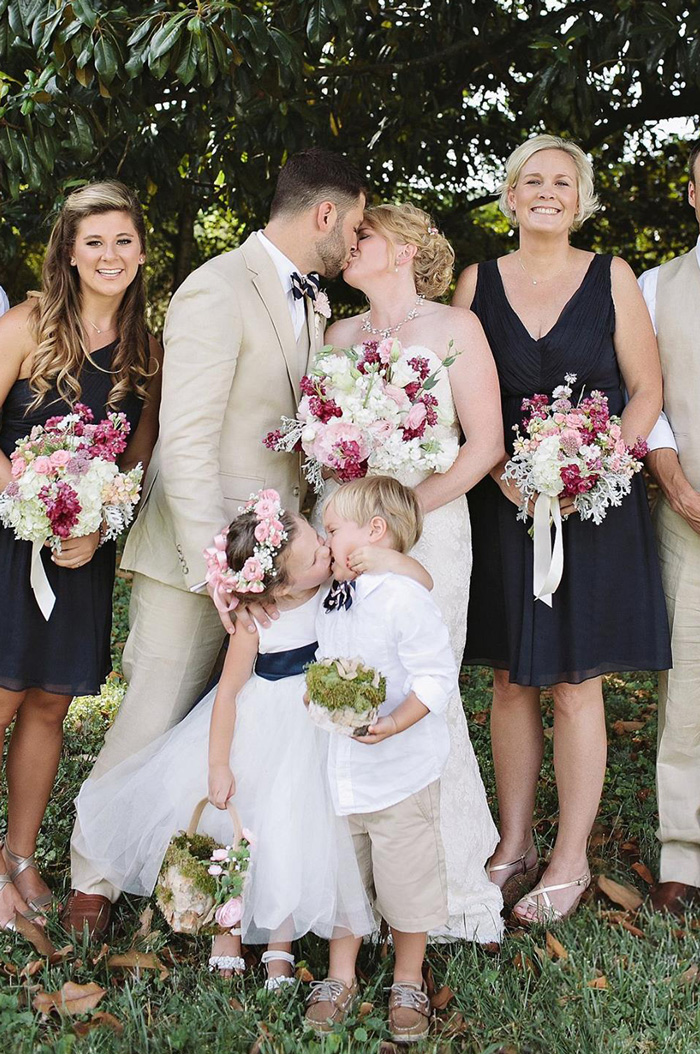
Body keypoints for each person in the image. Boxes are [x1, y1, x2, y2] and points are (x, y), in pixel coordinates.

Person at [65, 150, 367, 937]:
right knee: (153, 713)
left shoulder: (311, 305)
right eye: (356, 224)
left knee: (232, 726)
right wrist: (224, 570)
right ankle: (91, 881)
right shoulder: (216, 287)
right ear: (325, 215)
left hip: (282, 565)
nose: (355, 243)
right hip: (197, 555)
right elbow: (186, 443)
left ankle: (202, 883)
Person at [73, 489, 431, 986]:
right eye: (313, 555)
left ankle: (279, 945)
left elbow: (421, 581)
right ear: (280, 590)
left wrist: (386, 557)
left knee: (291, 832)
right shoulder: (256, 621)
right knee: (239, 833)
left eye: (319, 538)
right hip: (260, 729)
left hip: (313, 733)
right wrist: (218, 764)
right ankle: (229, 929)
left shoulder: (338, 583)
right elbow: (227, 694)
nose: (326, 550)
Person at [453, 133, 671, 925]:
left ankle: (570, 858)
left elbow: (646, 390)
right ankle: (512, 842)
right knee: (509, 678)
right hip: (505, 502)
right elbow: (454, 389)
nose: (547, 193)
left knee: (578, 685)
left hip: (594, 508)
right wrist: (504, 468)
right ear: (509, 197)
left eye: (563, 183)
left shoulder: (613, 277)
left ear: (581, 201)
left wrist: (599, 467)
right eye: (532, 181)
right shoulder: (474, 281)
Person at [314, 202, 505, 943]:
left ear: (404, 249)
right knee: (351, 678)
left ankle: (443, 892)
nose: (347, 243)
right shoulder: (336, 336)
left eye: (362, 234)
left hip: (429, 531)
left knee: (424, 687)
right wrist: (348, 525)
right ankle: (352, 889)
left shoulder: (456, 329)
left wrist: (403, 517)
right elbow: (323, 440)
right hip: (347, 536)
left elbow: (484, 444)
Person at [0, 181, 161, 931]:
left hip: (80, 550)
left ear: (140, 251)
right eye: (94, 241)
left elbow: (137, 458)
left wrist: (99, 525)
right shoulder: (27, 324)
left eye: (122, 241)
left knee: (49, 702)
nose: (109, 254)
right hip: (8, 538)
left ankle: (22, 856)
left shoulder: (145, 349)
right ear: (68, 250)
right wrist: (23, 504)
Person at [305, 476, 465, 1045]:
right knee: (345, 871)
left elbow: (436, 675)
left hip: (401, 774)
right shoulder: (333, 594)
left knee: (406, 881)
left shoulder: (402, 598)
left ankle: (406, 977)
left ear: (374, 534)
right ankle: (339, 974)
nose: (325, 545)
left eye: (331, 531)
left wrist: (396, 722)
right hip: (343, 770)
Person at [641, 140, 700, 916]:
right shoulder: (657, 287)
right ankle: (683, 849)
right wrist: (678, 484)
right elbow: (645, 398)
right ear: (691, 194)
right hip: (690, 514)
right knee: (685, 688)